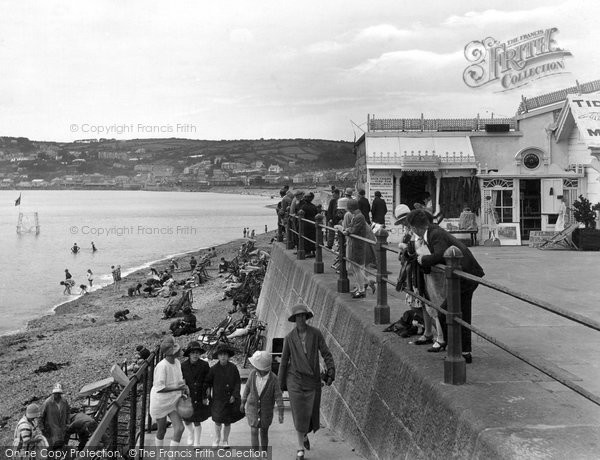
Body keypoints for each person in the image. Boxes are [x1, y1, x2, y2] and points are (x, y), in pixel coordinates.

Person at [405, 209, 485, 363]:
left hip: (466, 275)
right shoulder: (432, 233)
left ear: (415, 228)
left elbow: (440, 254)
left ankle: (455, 350)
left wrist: (424, 259)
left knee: (445, 313)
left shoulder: (435, 234)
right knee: (462, 314)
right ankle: (464, 352)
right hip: (465, 274)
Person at [278, 304, 335, 460]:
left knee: (310, 414)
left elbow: (326, 353)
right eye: (298, 317)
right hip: (295, 380)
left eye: (303, 316)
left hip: (312, 381)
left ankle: (304, 435)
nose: (301, 319)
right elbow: (284, 361)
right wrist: (280, 384)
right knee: (298, 413)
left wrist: (331, 370)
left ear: (306, 318)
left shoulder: (315, 334)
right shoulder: (289, 338)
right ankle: (300, 448)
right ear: (294, 319)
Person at [149, 337, 189, 450]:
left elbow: (179, 379)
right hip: (160, 402)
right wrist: (177, 388)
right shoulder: (162, 366)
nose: (181, 351)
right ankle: (159, 455)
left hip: (173, 400)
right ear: (172, 353)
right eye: (179, 350)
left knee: (180, 428)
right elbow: (159, 388)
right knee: (162, 430)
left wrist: (183, 390)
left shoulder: (177, 362)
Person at [241, 351, 284, 453]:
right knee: (254, 430)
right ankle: (256, 453)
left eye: (256, 366)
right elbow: (247, 388)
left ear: (262, 367)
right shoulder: (252, 374)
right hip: (252, 408)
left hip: (266, 411)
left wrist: (281, 412)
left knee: (264, 432)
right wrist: (243, 402)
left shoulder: (273, 379)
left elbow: (278, 396)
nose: (254, 367)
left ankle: (264, 452)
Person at [206, 344, 242, 448]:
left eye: (225, 355)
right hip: (218, 399)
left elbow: (237, 383)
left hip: (230, 399)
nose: (223, 357)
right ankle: (216, 439)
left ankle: (225, 440)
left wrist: (234, 395)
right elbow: (207, 381)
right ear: (218, 356)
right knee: (217, 420)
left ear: (228, 356)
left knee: (227, 421)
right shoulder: (213, 369)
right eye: (221, 355)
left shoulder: (233, 368)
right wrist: (207, 389)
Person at [180, 341, 211, 446]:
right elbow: (180, 380)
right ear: (189, 354)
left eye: (197, 352)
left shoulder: (204, 365)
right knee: (187, 418)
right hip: (188, 395)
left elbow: (208, 381)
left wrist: (206, 395)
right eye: (193, 352)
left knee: (197, 419)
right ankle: (190, 433)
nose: (195, 355)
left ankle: (197, 442)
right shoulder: (183, 366)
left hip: (199, 394)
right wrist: (183, 387)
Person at [342, 199, 374, 298]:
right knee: (356, 268)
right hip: (355, 245)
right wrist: (348, 229)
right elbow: (352, 227)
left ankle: (362, 289)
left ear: (351, 208)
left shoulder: (359, 217)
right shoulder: (357, 216)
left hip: (358, 246)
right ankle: (361, 286)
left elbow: (354, 229)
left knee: (358, 268)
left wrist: (347, 231)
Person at [40, 382, 70, 450]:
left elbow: (68, 412)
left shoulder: (64, 401)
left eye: (59, 393)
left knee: (61, 448)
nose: (57, 395)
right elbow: (40, 416)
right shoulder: (47, 403)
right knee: (50, 449)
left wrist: (68, 423)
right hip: (50, 431)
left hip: (62, 430)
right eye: (56, 393)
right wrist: (42, 429)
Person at [298, 192, 319, 258]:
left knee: (307, 237)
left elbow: (301, 214)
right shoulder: (314, 206)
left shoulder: (304, 207)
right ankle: (312, 251)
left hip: (306, 224)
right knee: (312, 237)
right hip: (312, 223)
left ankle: (308, 251)